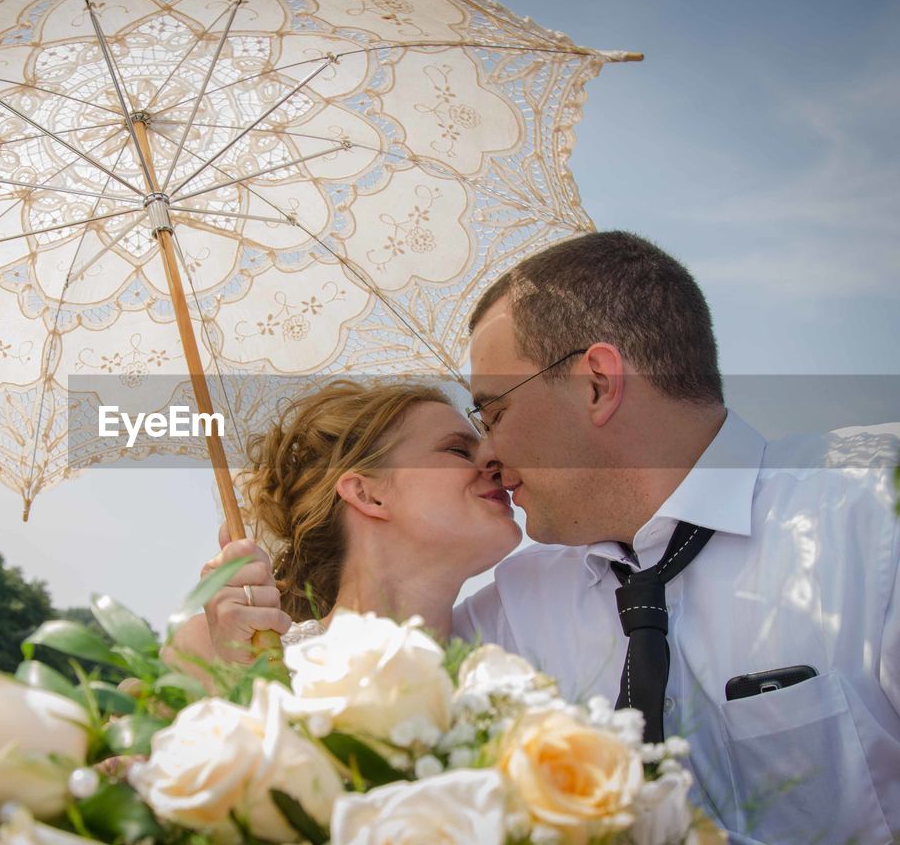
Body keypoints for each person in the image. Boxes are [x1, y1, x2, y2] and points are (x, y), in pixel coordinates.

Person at [190, 232, 899, 844]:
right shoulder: (502, 622)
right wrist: (228, 675)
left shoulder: (872, 519)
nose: (489, 457)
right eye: (463, 439)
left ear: (596, 383)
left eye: (491, 413)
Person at [171, 379, 520, 667]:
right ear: (366, 494)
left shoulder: (513, 662)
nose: (495, 461)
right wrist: (243, 678)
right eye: (458, 451)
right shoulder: (230, 652)